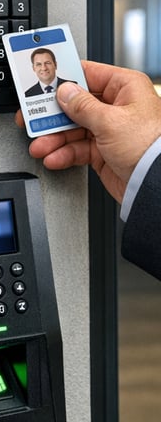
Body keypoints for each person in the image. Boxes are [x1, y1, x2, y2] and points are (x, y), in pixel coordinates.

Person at [18, 59, 161, 280]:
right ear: (33, 69)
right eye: (38, 65)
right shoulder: (29, 91)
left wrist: (147, 168)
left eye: (48, 63)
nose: (44, 68)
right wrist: (141, 178)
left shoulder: (69, 86)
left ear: (56, 65)